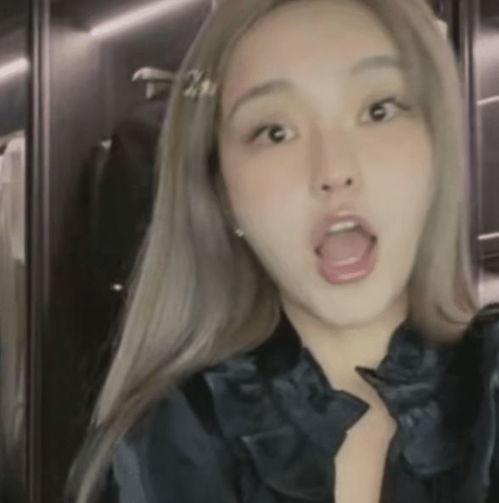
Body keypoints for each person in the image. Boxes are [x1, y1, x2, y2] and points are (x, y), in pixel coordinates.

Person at [68, 0, 499, 502]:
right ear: (222, 191)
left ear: (438, 147)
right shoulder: (158, 449)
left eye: (378, 110)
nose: (333, 170)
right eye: (275, 132)